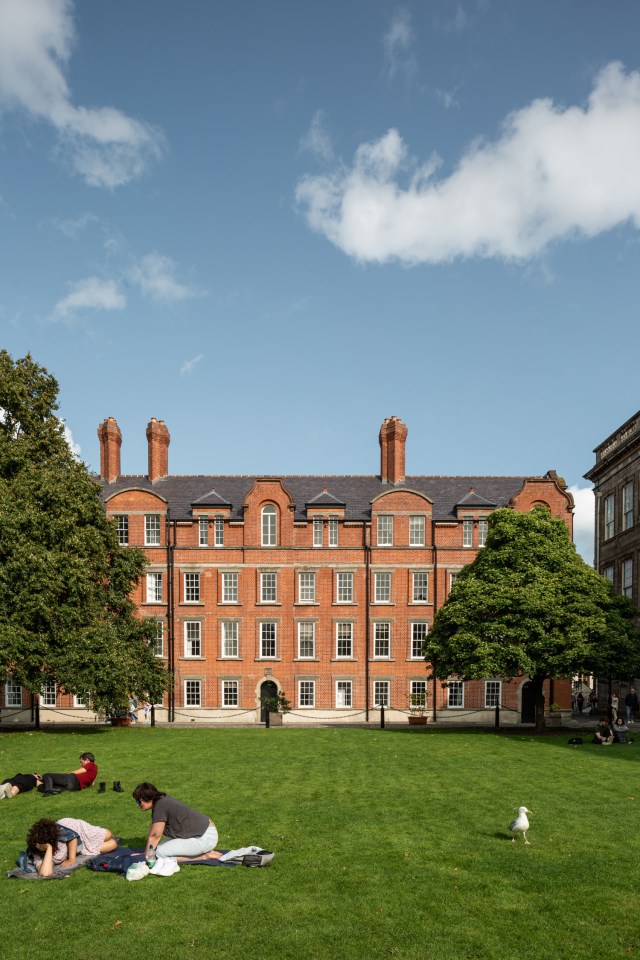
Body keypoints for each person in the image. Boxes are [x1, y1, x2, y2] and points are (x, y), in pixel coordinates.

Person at [133, 782, 221, 863]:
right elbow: (153, 830)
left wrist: (146, 856)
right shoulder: (160, 801)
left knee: (158, 854)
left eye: (138, 801)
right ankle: (203, 853)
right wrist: (145, 852)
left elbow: (156, 836)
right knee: (156, 849)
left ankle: (204, 856)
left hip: (204, 838)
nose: (137, 804)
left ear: (148, 798)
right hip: (203, 833)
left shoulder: (160, 806)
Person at [26, 817, 117, 877]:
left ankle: (100, 837)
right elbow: (45, 873)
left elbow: (72, 838)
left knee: (108, 835)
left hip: (76, 829)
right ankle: (97, 842)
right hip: (80, 846)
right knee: (113, 844)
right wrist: (49, 848)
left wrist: (71, 859)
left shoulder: (59, 833)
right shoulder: (38, 853)